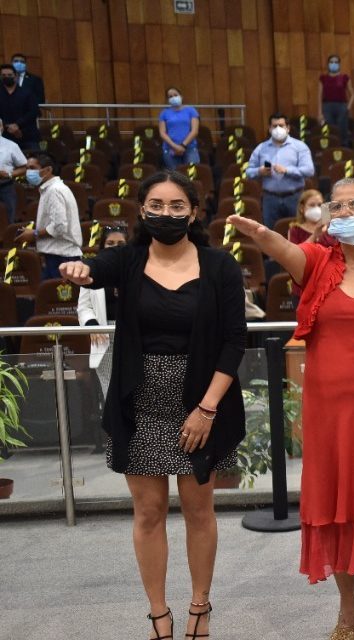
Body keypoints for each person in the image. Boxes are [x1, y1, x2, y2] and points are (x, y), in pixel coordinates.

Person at [226, 177, 354, 640]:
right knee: (333, 504)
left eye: (352, 205)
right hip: (327, 410)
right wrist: (260, 234)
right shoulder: (317, 264)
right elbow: (283, 248)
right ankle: (347, 603)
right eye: (334, 207)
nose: (341, 214)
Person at [58, 170, 247, 640]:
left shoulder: (219, 266)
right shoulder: (127, 261)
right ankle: (159, 615)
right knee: (149, 513)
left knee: (200, 511)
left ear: (194, 212)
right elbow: (92, 269)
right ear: (142, 211)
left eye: (177, 205)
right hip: (138, 403)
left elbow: (234, 341)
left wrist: (207, 409)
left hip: (200, 404)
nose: (167, 213)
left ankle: (199, 609)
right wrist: (77, 269)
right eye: (157, 205)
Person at [78, 225, 129, 454]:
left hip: (133, 336)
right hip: (104, 335)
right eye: (110, 244)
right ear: (102, 247)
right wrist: (91, 325)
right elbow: (84, 307)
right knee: (110, 389)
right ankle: (117, 438)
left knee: (134, 387)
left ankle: (135, 436)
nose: (115, 248)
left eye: (120, 244)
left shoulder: (139, 268)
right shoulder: (92, 270)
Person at [244, 113, 315, 231]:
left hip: (294, 197)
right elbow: (248, 172)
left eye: (281, 125)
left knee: (298, 234)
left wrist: (287, 170)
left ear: (288, 128)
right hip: (270, 199)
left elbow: (309, 170)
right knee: (270, 234)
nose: (278, 129)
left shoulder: (299, 146)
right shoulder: (261, 148)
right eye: (274, 126)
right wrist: (259, 171)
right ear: (270, 128)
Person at [19, 153, 82, 280]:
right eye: (27, 168)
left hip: (62, 256)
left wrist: (34, 234)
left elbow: (59, 227)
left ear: (48, 170)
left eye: (32, 168)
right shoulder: (52, 189)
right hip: (57, 255)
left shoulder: (54, 191)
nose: (28, 172)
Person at [0, 63, 40, 151]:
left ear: (15, 76)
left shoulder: (27, 93)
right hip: (4, 137)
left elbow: (33, 112)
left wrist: (17, 125)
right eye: (3, 75)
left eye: (9, 75)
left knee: (34, 160)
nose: (7, 77)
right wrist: (9, 127)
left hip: (27, 136)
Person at [158, 87, 201, 169]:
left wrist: (182, 146)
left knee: (191, 174)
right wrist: (174, 146)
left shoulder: (191, 110)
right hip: (170, 148)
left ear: (181, 96)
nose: (173, 98)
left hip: (189, 148)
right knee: (175, 176)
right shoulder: (164, 113)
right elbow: (162, 133)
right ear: (168, 100)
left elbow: (194, 131)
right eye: (170, 96)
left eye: (175, 95)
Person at [318, 54, 354, 147]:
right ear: (328, 64)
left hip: (341, 106)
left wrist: (348, 107)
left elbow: (353, 95)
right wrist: (319, 112)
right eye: (331, 62)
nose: (333, 64)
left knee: (342, 130)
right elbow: (319, 96)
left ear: (339, 64)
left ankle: (344, 149)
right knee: (330, 130)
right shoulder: (323, 78)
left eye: (336, 62)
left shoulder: (344, 78)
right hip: (327, 107)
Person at [0, 118, 26, 222]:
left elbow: (25, 167)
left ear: (1, 128)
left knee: (9, 220)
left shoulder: (11, 146)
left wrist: (9, 174)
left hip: (6, 187)